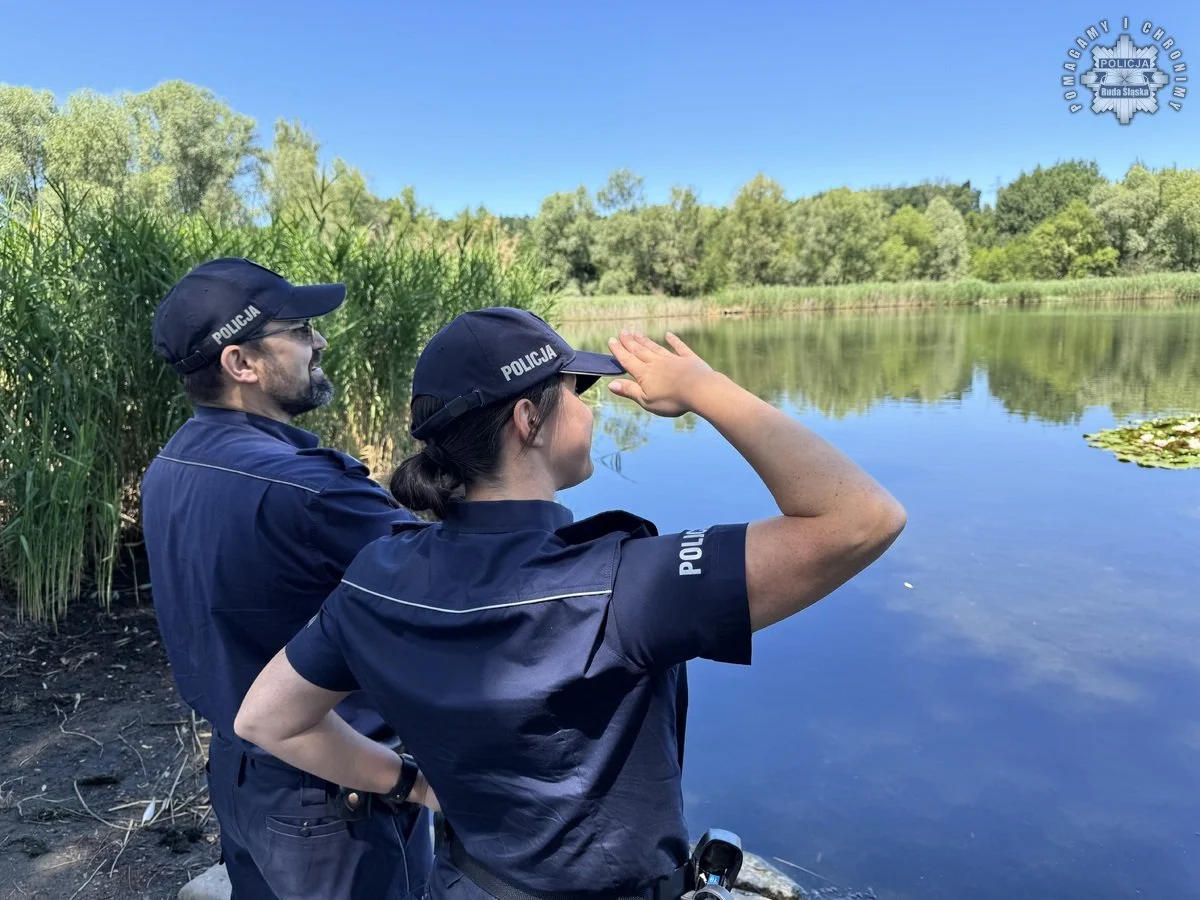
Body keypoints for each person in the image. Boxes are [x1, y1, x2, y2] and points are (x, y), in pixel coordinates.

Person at [234, 307, 907, 899]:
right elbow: (861, 519)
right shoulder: (625, 584)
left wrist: (412, 785)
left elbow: (267, 720)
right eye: (575, 391)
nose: (589, 406)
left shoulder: (376, 575)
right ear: (529, 420)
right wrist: (707, 390)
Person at [141, 258, 433, 900]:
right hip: (336, 795)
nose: (320, 341)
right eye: (299, 330)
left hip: (238, 776)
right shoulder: (310, 486)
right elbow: (460, 592)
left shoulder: (170, 465)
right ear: (241, 363)